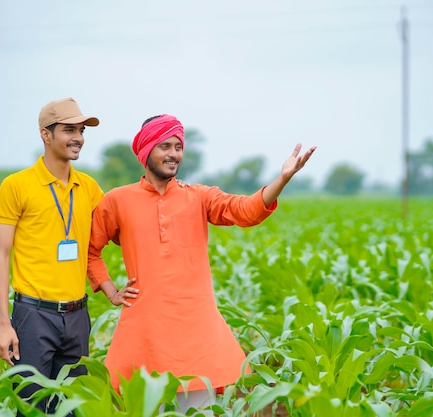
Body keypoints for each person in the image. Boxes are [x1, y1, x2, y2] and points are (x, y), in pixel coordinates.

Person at [87, 114, 315, 413]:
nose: (173, 154)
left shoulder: (199, 197)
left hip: (196, 329)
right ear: (145, 151)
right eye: (165, 146)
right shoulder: (117, 200)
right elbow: (90, 250)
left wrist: (282, 178)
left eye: (178, 146)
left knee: (200, 407)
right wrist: (110, 290)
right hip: (145, 328)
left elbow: (246, 211)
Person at [0, 97, 114, 414]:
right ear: (46, 135)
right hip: (33, 317)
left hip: (77, 317)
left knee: (72, 408)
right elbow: (2, 255)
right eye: (69, 130)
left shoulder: (88, 187)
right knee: (32, 406)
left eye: (82, 131)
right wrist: (4, 324)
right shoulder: (16, 185)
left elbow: (119, 229)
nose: (78, 138)